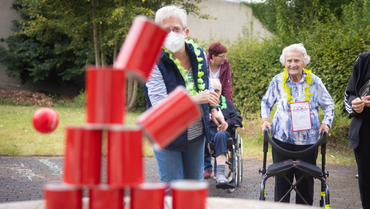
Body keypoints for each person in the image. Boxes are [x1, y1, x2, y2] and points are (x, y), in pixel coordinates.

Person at [143, 5, 227, 183]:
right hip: (167, 134)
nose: (172, 33)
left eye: (176, 29)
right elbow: (159, 106)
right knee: (173, 188)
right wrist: (197, 99)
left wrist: (214, 107)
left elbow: (206, 86)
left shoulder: (198, 55)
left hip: (195, 133)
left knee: (194, 186)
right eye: (166, 30)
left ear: (185, 32)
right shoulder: (152, 61)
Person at [260, 43, 334, 205]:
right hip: (281, 141)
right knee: (281, 183)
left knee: (305, 184)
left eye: (296, 60)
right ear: (284, 63)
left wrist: (325, 123)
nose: (292, 64)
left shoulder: (314, 81)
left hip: (308, 143)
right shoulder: (278, 80)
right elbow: (266, 102)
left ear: (304, 62)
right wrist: (265, 119)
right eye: (289, 61)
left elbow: (329, 104)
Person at [344, 51, 370, 209]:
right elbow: (350, 94)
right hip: (365, 132)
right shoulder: (364, 60)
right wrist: (355, 104)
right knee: (367, 184)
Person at [203, 42, 233, 179]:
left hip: (219, 99)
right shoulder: (203, 63)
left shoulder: (225, 65)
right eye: (222, 56)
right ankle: (206, 168)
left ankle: (218, 171)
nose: (224, 58)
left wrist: (226, 105)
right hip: (204, 98)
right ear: (213, 56)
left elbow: (227, 86)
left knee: (220, 135)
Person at [207, 79, 243, 185]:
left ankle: (220, 173)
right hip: (207, 132)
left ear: (221, 91)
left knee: (220, 135)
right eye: (211, 90)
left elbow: (238, 118)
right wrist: (204, 118)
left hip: (223, 133)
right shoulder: (203, 104)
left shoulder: (226, 103)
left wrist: (227, 123)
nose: (214, 93)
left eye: (217, 91)